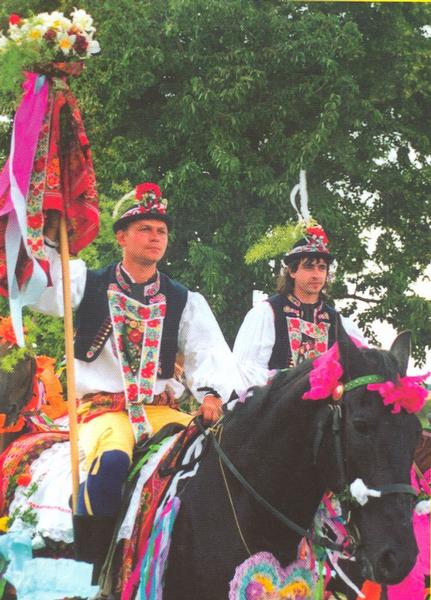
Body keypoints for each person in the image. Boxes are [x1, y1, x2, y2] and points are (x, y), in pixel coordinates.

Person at [32, 182, 240, 581]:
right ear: (122, 237)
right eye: (145, 229)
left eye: (161, 231)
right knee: (111, 464)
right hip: (104, 411)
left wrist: (212, 394)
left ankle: (198, 564)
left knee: (218, 457)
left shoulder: (183, 299)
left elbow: (206, 350)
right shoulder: (87, 283)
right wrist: (49, 237)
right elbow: (44, 285)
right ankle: (92, 570)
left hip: (161, 410)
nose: (155, 237)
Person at [234, 174, 365, 389]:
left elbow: (362, 367)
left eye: (322, 268)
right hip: (275, 404)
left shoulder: (338, 322)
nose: (316, 275)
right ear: (292, 271)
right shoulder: (267, 313)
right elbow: (245, 369)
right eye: (309, 267)